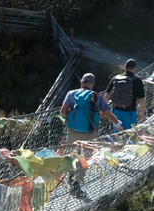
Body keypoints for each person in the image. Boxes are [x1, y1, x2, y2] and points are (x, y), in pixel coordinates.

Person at [61, 72, 123, 200]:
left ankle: (71, 177)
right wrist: (117, 124)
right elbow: (107, 113)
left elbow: (62, 111)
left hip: (72, 131)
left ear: (81, 82)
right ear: (92, 84)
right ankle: (76, 184)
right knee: (85, 158)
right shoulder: (97, 96)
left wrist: (71, 120)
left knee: (72, 156)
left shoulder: (71, 93)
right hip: (90, 133)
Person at [104, 58, 146, 131]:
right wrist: (143, 113)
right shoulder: (137, 80)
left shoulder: (115, 78)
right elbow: (142, 99)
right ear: (134, 68)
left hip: (115, 112)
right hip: (130, 112)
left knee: (117, 135)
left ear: (125, 66)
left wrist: (104, 110)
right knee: (129, 136)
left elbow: (107, 96)